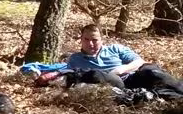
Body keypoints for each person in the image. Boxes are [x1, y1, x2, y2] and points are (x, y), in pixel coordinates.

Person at [52, 24, 183, 99]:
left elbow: (138, 61)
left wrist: (122, 69)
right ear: (81, 39)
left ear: (102, 39)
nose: (90, 44)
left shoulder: (115, 49)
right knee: (97, 74)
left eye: (95, 40)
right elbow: (69, 79)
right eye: (86, 39)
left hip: (131, 78)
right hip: (111, 86)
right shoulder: (75, 59)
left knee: (152, 72)